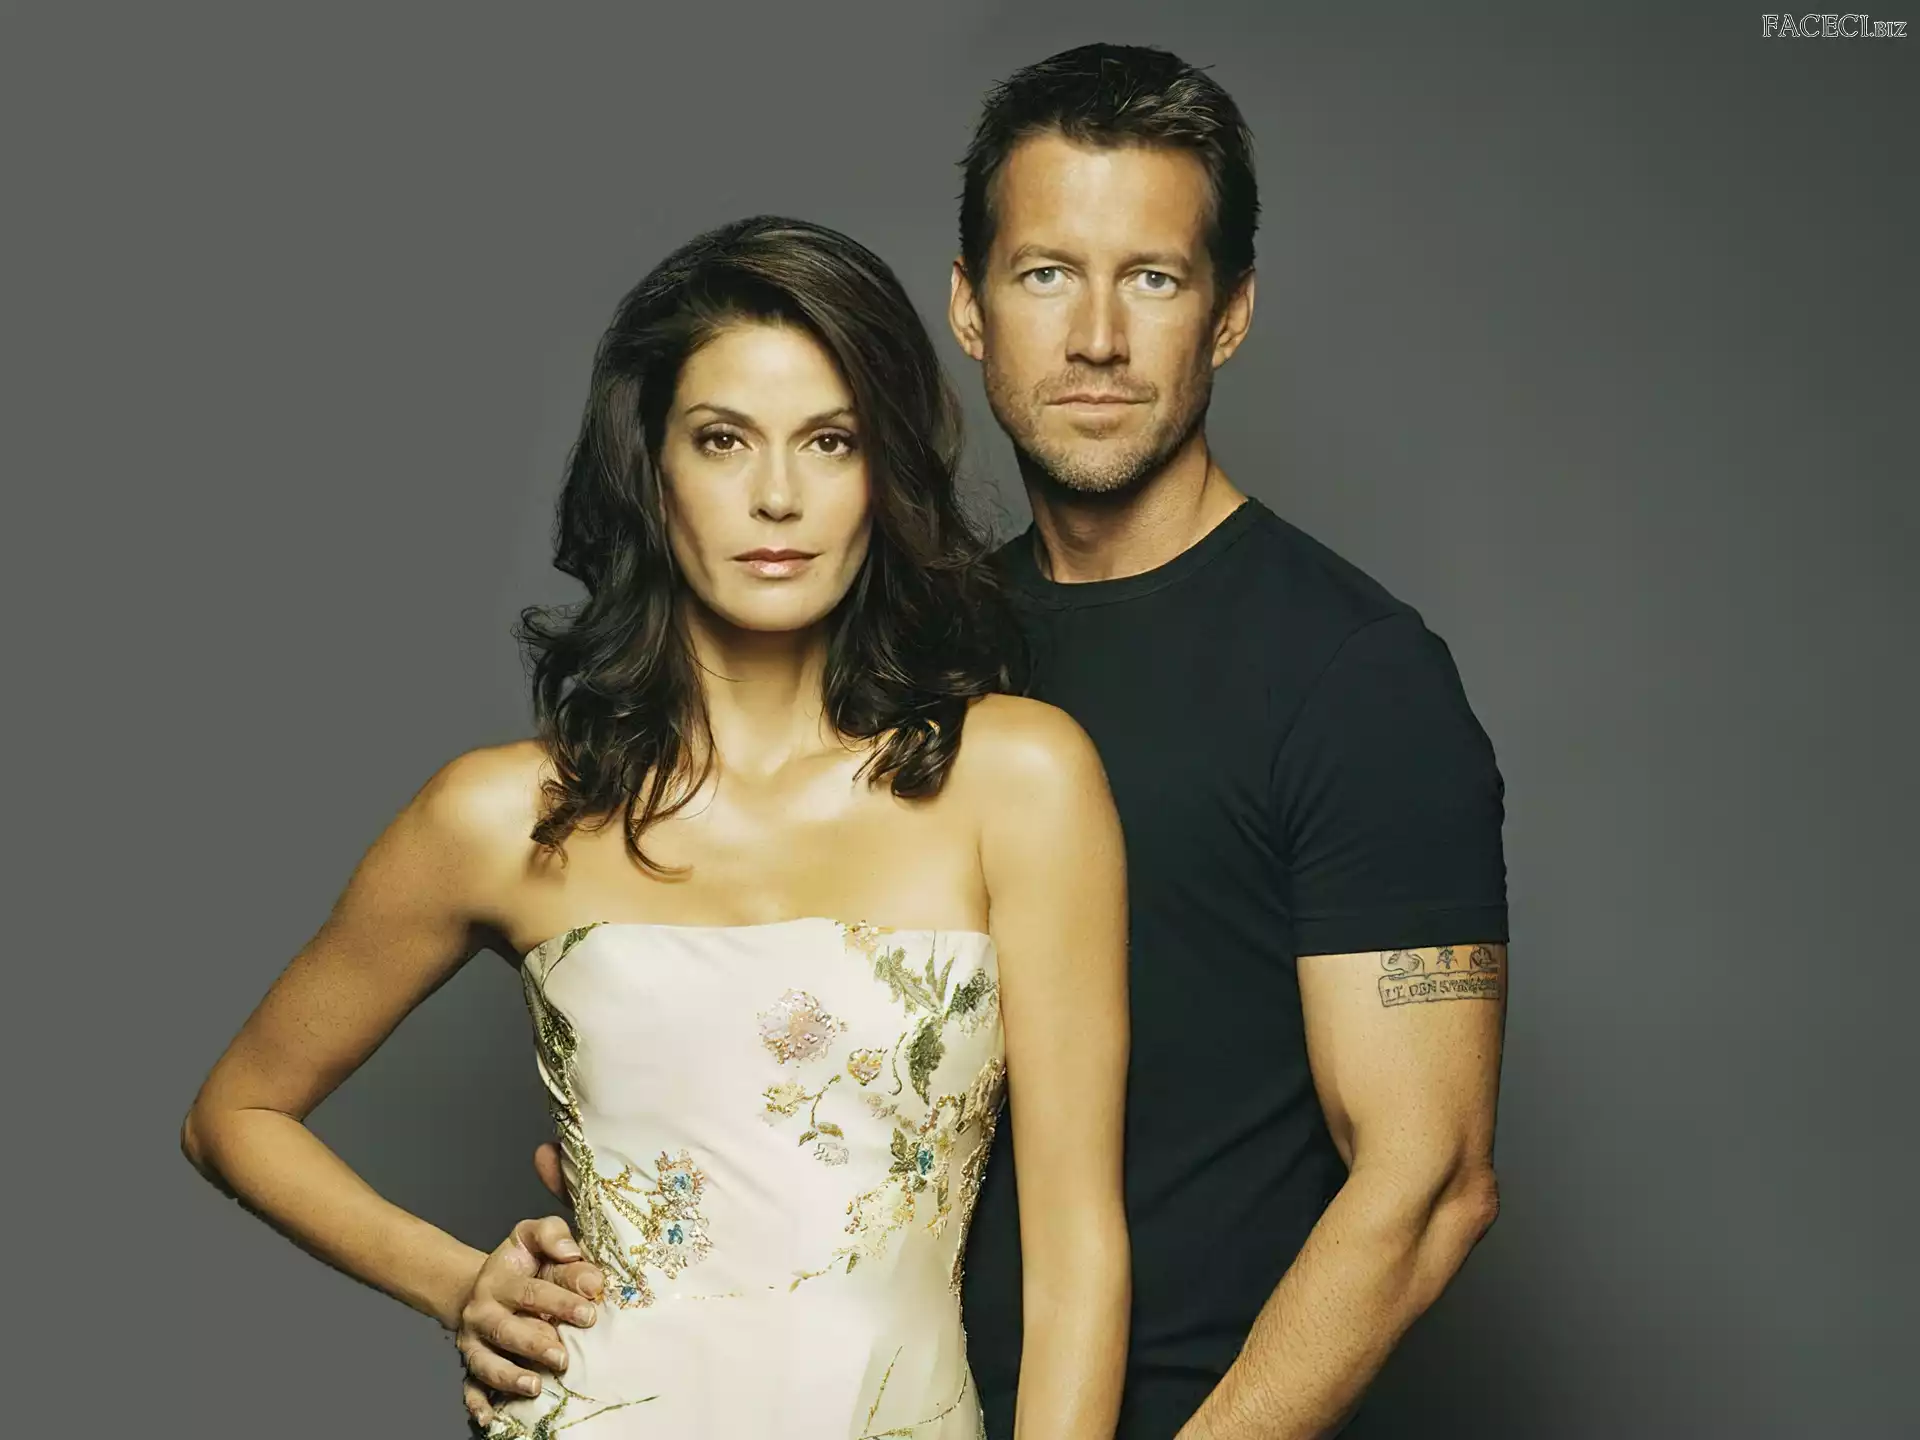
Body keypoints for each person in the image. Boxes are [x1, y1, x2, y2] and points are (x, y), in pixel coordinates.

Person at [470, 41, 1510, 1440]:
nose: (1097, 337)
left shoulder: (1352, 676)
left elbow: (1428, 1186)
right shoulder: (914, 642)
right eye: (1046, 274)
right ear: (970, 306)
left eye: (1154, 278)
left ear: (1231, 314)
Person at [180, 215, 1131, 1438]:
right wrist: (460, 1285)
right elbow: (235, 1114)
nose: (777, 495)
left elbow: (1075, 1255)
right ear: (652, 469)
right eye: (723, 440)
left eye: (829, 441)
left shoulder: (1017, 779)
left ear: (882, 475)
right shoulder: (505, 815)